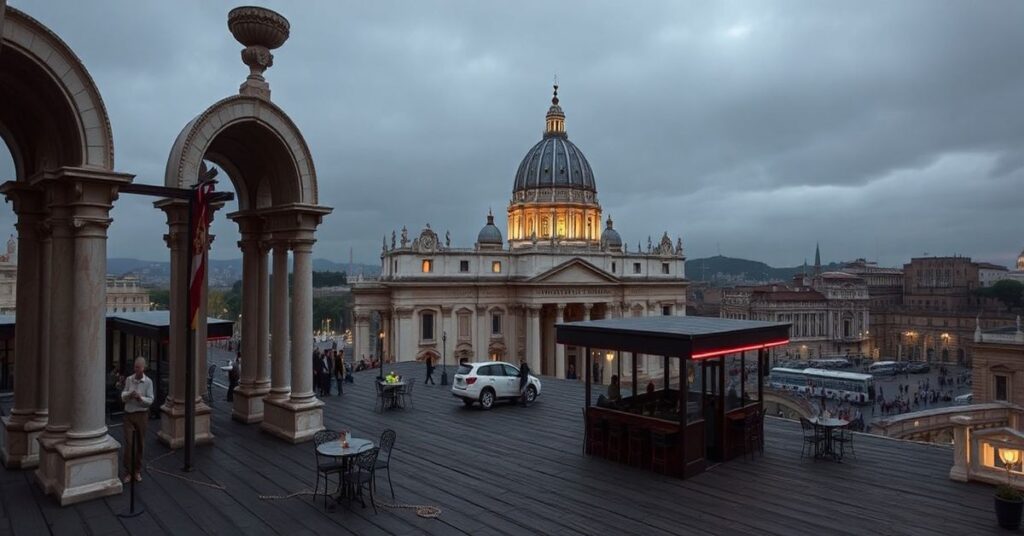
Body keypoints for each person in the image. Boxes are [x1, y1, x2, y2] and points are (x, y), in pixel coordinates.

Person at [121, 356, 153, 484]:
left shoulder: (148, 382)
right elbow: (123, 396)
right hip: (129, 414)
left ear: (143, 368)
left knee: (140, 443)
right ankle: (128, 471)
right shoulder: (129, 379)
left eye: (138, 367)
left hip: (142, 415)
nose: (136, 370)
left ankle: (137, 470)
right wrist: (129, 394)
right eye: (135, 367)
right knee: (129, 444)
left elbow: (150, 400)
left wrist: (141, 399)